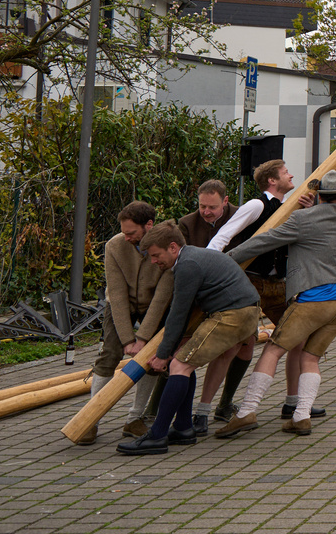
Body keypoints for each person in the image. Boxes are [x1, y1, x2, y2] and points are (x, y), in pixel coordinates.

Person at [217, 152, 336, 438]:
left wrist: (227, 259)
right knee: (310, 357)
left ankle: (247, 411)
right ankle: (301, 416)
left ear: (319, 195)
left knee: (273, 349)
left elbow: (263, 242)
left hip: (313, 300)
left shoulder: (302, 221)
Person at [117, 224, 261, 455]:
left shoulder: (187, 265)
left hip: (233, 314)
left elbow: (178, 314)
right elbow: (180, 317)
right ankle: (183, 428)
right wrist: (169, 349)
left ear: (173, 247)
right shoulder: (192, 257)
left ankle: (157, 435)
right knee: (184, 361)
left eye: (156, 255)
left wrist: (163, 355)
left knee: (179, 364)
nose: (153, 261)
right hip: (239, 311)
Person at [208, 158, 302, 424]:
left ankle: (292, 403)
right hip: (251, 282)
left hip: (278, 284)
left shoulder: (289, 207)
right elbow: (224, 235)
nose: (291, 175)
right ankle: (221, 406)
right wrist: (208, 267)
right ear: (272, 180)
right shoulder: (256, 204)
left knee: (297, 337)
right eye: (286, 172)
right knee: (240, 345)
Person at [87, 201, 174, 443]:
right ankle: (91, 418)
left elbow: (161, 298)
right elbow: (115, 293)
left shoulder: (167, 246)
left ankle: (135, 418)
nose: (126, 238)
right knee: (109, 354)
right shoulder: (115, 245)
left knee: (151, 357)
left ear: (149, 226)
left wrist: (143, 339)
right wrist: (127, 338)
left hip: (153, 305)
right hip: (119, 305)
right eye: (124, 232)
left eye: (132, 233)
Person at [178, 180, 236, 251]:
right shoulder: (187, 224)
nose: (206, 212)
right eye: (202, 206)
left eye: (212, 207)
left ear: (225, 201)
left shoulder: (239, 216)